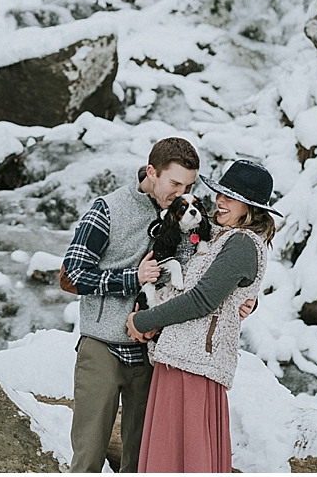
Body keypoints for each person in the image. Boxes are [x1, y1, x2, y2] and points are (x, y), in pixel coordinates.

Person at [126, 159, 281, 473]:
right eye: (219, 193)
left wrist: (143, 322)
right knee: (172, 457)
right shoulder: (225, 237)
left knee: (181, 459)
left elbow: (202, 300)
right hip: (184, 356)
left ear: (251, 208)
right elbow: (226, 290)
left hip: (195, 364)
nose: (219, 201)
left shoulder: (240, 243)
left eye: (230, 197)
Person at [62, 137, 199, 473]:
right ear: (151, 172)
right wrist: (130, 279)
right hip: (102, 348)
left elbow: (200, 270)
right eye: (175, 183)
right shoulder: (108, 208)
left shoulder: (184, 212)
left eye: (189, 185)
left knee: (144, 462)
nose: (181, 192)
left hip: (152, 354)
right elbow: (71, 276)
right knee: (89, 456)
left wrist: (245, 299)